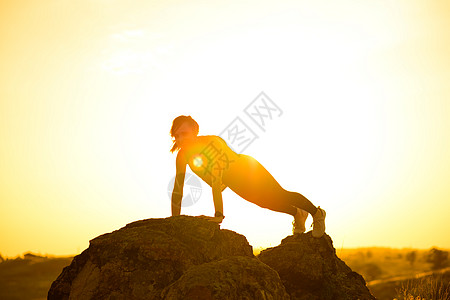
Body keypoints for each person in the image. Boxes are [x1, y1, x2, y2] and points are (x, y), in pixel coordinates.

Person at [169, 115, 326, 237]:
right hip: (234, 182)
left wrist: (218, 215)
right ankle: (297, 213)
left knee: (280, 195)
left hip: (249, 170)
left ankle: (316, 213)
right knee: (266, 203)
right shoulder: (182, 156)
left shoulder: (213, 143)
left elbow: (216, 180)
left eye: (184, 134)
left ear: (195, 131)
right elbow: (178, 189)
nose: (181, 139)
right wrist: (174, 222)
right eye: (177, 136)